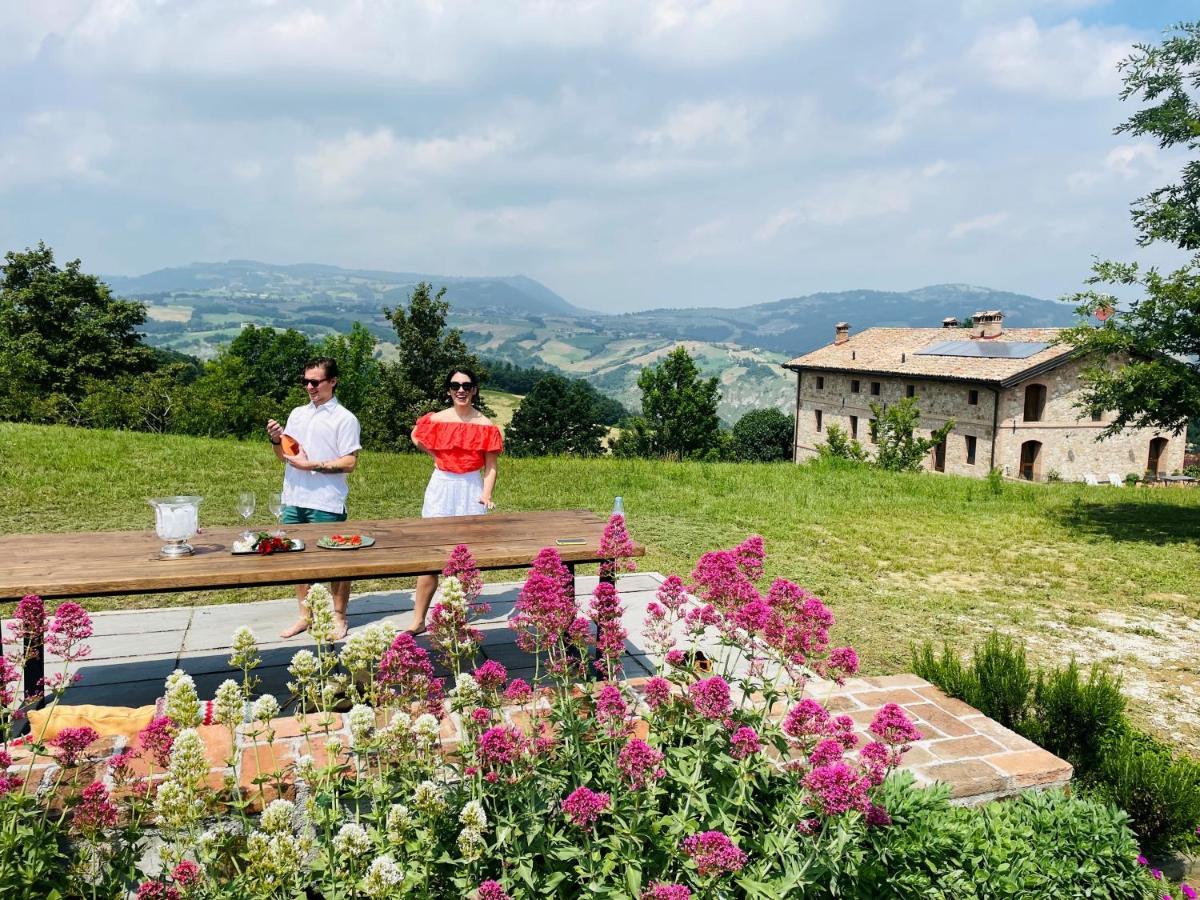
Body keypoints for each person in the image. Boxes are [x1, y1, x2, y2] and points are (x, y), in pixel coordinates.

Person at [266, 356, 362, 641]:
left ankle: (339, 616)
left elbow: (350, 463)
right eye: (305, 381)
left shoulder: (345, 418)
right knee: (298, 561)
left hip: (326, 501)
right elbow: (287, 456)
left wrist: (313, 465)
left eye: (315, 381)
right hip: (294, 498)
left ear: (333, 382)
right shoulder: (297, 414)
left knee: (336, 562)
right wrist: (275, 440)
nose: (309, 386)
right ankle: (305, 616)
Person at [407, 367, 502, 635]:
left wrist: (486, 495)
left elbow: (491, 467)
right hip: (441, 484)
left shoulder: (486, 426)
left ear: (474, 390)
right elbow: (416, 435)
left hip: (470, 487)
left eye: (467, 385)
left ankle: (452, 616)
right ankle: (418, 619)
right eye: (455, 385)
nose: (461, 390)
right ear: (449, 389)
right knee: (431, 553)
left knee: (462, 557)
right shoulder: (436, 420)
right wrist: (436, 455)